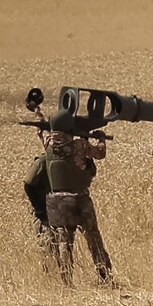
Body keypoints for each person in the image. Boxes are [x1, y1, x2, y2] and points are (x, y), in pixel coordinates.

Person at [37, 106, 113, 286]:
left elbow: (41, 130)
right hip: (79, 200)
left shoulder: (48, 143)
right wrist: (101, 139)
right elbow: (100, 153)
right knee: (93, 238)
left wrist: (38, 113)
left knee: (64, 243)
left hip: (57, 203)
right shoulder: (79, 145)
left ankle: (67, 281)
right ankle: (105, 277)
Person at [22, 150, 56, 271]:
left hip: (60, 210)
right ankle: (49, 276)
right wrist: (39, 209)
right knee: (48, 247)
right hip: (44, 213)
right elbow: (28, 185)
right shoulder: (42, 161)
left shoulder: (67, 160)